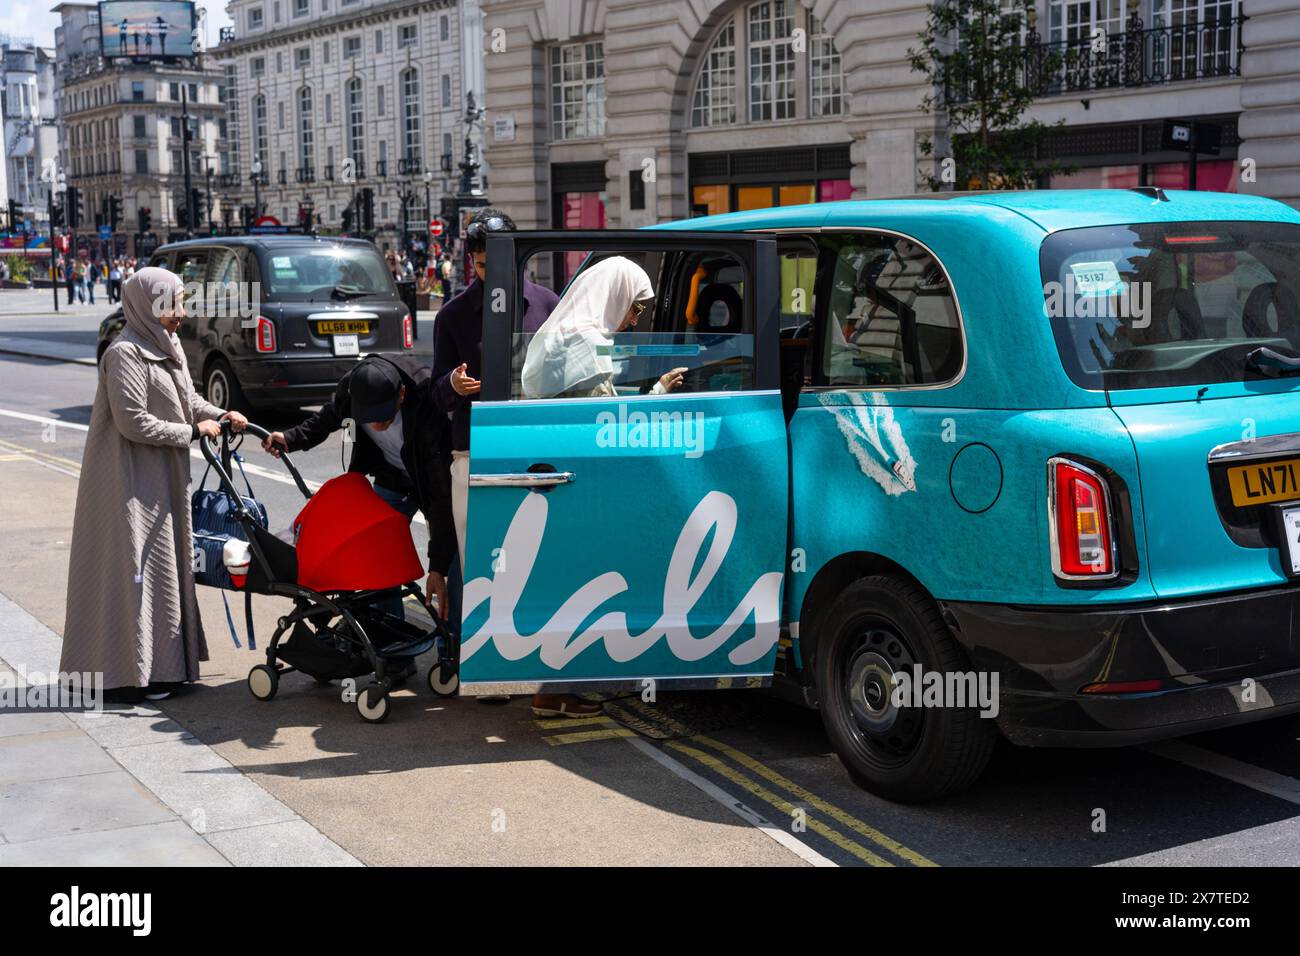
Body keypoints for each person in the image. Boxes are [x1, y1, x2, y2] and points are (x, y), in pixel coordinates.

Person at [434, 208, 622, 718]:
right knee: (483, 567)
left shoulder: (548, 304)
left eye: (492, 263)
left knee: (546, 565)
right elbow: (435, 394)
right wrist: (451, 386)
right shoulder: (452, 316)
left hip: (540, 453)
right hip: (474, 454)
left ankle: (548, 681)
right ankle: (495, 673)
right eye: (476, 264)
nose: (485, 272)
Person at [60, 267, 247, 704]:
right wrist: (194, 432)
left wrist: (219, 414)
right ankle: (126, 676)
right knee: (136, 573)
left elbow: (186, 401)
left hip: (162, 477)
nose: (181, 313)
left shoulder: (167, 344)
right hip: (129, 480)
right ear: (147, 305)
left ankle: (164, 668)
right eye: (172, 304)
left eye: (181, 303)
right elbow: (133, 421)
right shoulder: (124, 353)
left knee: (166, 568)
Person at [262, 354, 455, 627]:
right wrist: (291, 438)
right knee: (377, 556)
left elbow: (441, 495)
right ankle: (389, 636)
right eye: (369, 419)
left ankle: (452, 647)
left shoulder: (427, 398)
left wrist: (438, 566)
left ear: (401, 394)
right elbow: (328, 417)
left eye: (383, 418)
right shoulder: (353, 387)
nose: (376, 425)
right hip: (392, 479)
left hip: (431, 479)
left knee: (451, 566)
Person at [522, 256, 687, 399]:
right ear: (618, 298)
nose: (635, 321)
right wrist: (659, 390)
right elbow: (609, 420)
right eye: (636, 308)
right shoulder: (589, 343)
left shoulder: (562, 332)